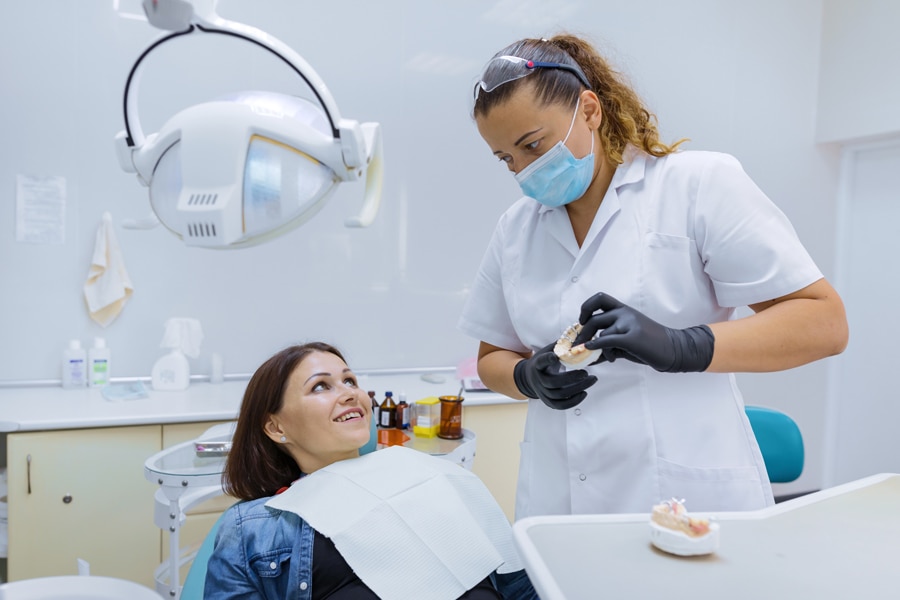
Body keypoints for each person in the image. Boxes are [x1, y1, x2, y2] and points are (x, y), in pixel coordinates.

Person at [458, 34, 849, 519]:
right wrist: (526, 377)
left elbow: (824, 323)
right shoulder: (517, 229)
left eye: (532, 144)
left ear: (590, 110)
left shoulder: (697, 185)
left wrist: (680, 345)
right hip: (559, 504)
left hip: (686, 498)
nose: (523, 170)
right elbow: (492, 356)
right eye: (506, 159)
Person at [204, 342, 537, 600]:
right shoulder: (257, 526)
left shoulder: (433, 474)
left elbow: (518, 583)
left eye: (350, 380)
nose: (350, 393)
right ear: (276, 427)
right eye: (320, 386)